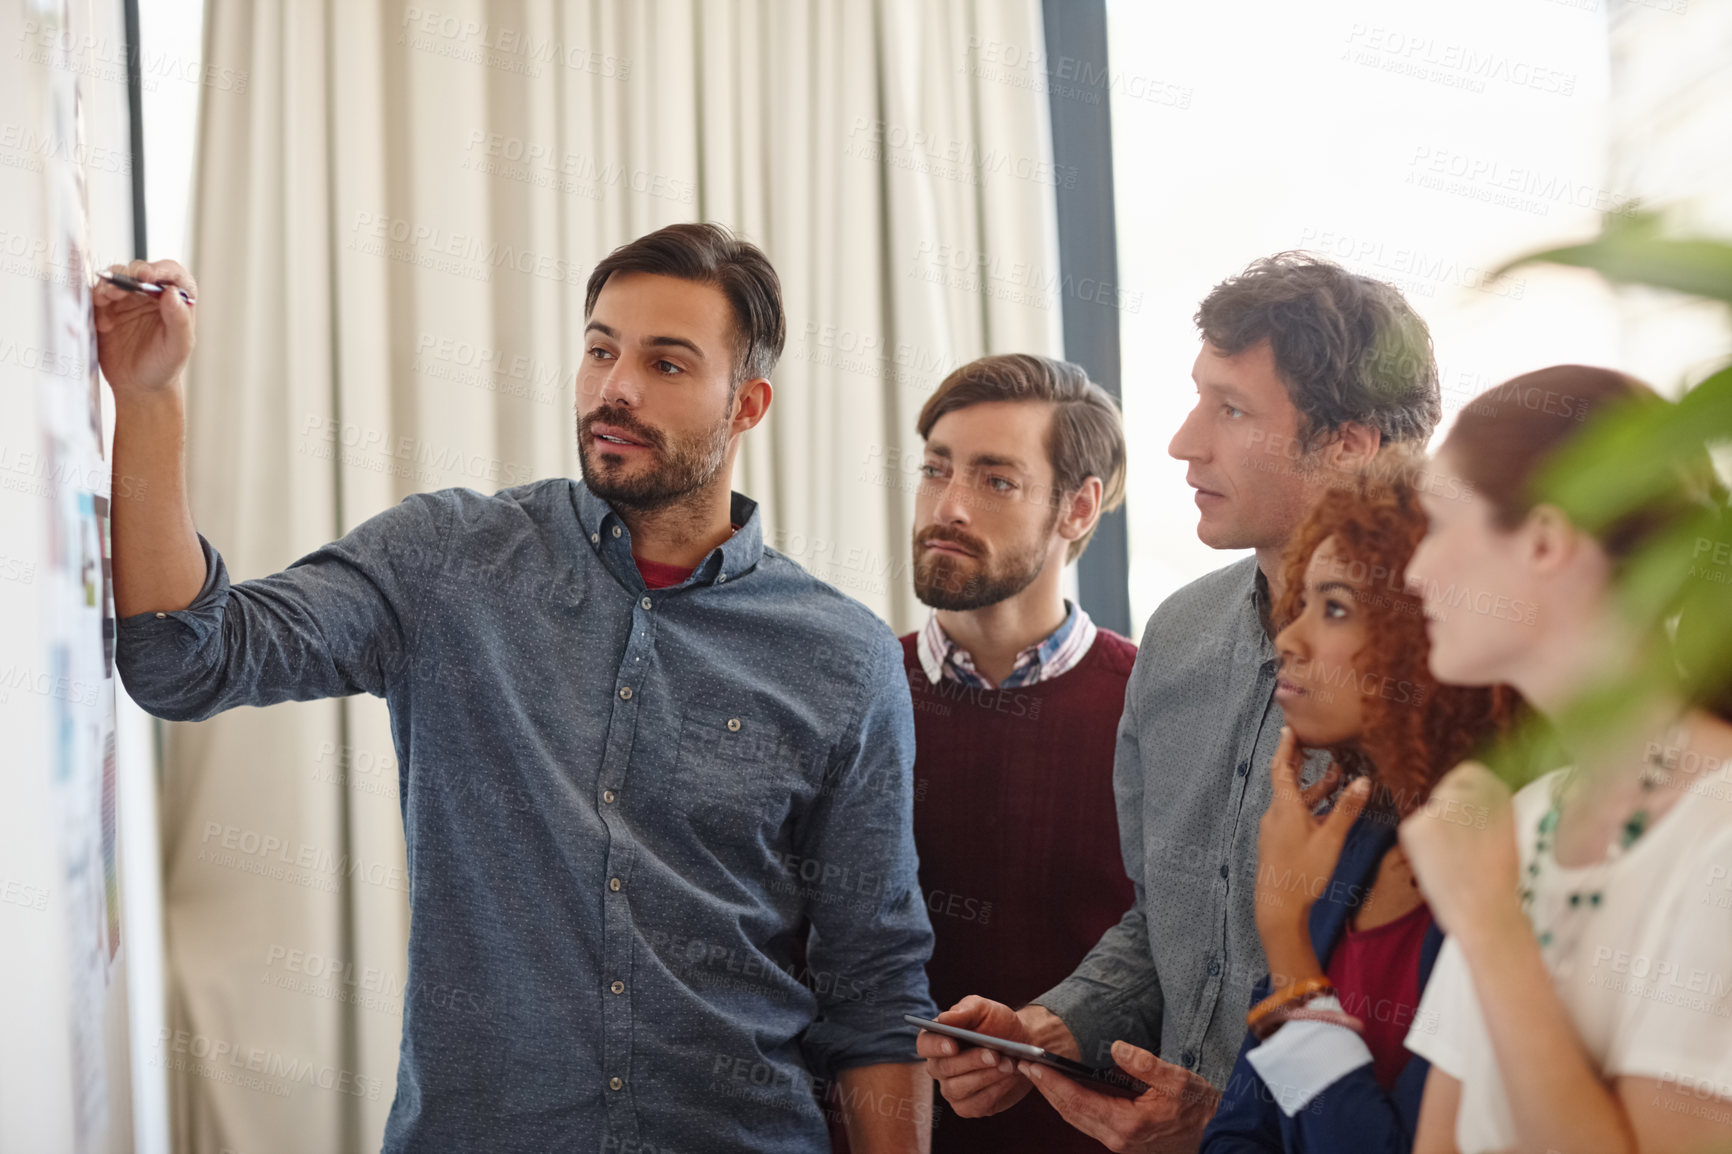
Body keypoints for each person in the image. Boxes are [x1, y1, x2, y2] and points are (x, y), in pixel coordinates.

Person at [98, 223, 937, 1154]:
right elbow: (185, 659)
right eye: (600, 350)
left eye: (665, 364)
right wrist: (150, 395)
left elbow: (875, 992)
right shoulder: (445, 561)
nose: (615, 387)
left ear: (746, 405)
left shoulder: (845, 658)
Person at [919, 252, 1442, 1151]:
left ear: (1350, 446)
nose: (1183, 441)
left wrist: (1232, 1116)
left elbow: (1458, 1022)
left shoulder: (1457, 679)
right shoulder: (1181, 637)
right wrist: (1055, 1025)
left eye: (1231, 408)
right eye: (1201, 397)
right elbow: (1164, 918)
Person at [1397, 365, 1732, 1154]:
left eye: (1441, 527)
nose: (1414, 572)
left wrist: (1487, 921)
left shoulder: (1720, 837)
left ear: (1545, 540)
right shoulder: (1527, 817)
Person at [1200, 459, 1513, 1152]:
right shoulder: (1357, 832)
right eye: (1301, 604)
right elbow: (1240, 1132)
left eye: (1335, 607)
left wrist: (1286, 942)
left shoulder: (1507, 859)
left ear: (1431, 628)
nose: (1289, 639)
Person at [898, 353, 1138, 1152]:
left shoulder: (1155, 706)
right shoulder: (849, 691)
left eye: (996, 481)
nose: (950, 507)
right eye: (938, 470)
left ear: (1078, 508)